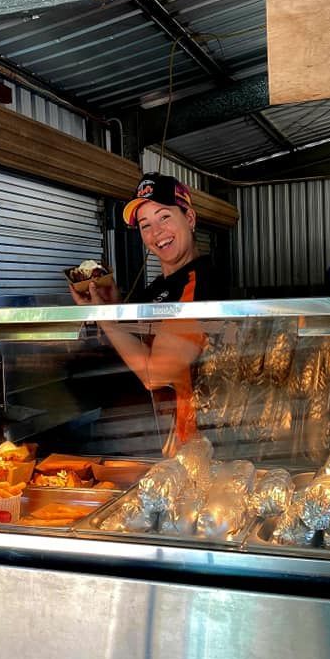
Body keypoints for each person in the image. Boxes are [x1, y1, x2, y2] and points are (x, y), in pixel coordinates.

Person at [68, 172, 221, 454]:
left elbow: (156, 374)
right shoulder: (159, 288)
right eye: (145, 224)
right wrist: (114, 305)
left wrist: (105, 317)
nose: (156, 233)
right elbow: (135, 345)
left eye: (164, 217)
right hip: (151, 439)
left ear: (189, 218)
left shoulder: (200, 283)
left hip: (193, 446)